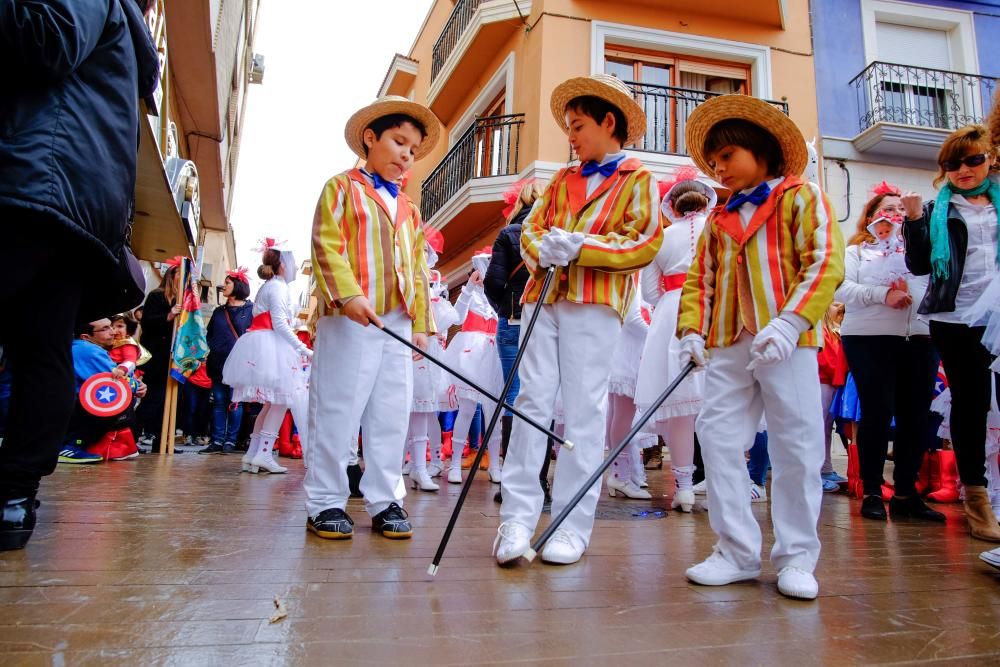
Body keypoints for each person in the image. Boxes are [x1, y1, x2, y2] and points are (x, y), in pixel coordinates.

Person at [0, 0, 160, 550]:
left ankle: (14, 495)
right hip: (75, 202)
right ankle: (13, 501)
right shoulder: (128, 43)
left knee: (41, 350)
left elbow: (50, 39)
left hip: (34, 182)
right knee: (42, 349)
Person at [677, 95, 845, 600]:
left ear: (760, 150)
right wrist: (690, 330)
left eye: (726, 156)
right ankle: (735, 551)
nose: (718, 168)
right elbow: (698, 281)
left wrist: (792, 323)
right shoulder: (717, 218)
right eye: (713, 161)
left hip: (787, 341)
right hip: (729, 342)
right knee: (718, 436)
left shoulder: (802, 196)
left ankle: (796, 557)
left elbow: (826, 261)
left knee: (797, 444)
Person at [493, 73, 663, 566]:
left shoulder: (639, 180)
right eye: (570, 126)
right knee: (531, 403)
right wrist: (540, 247)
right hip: (541, 299)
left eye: (579, 125)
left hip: (596, 303)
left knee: (585, 412)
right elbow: (532, 229)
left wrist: (583, 247)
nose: (571, 135)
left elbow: (643, 242)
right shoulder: (561, 180)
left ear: (609, 122)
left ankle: (570, 524)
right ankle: (518, 520)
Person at [306, 96, 439, 540]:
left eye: (413, 150)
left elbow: (418, 268)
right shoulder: (340, 188)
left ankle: (385, 498)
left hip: (397, 322)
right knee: (339, 406)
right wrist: (348, 296)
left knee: (391, 411)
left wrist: (421, 323)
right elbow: (327, 245)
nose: (406, 154)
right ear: (370, 138)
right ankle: (325, 500)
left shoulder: (410, 209)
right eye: (399, 142)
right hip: (352, 316)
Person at [902, 123, 1000, 542]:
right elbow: (921, 266)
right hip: (956, 319)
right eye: (952, 164)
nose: (964, 169)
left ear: (989, 160)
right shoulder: (937, 209)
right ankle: (976, 499)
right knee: (971, 404)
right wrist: (912, 221)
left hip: (998, 313)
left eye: (973, 160)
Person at [835, 186, 941, 521]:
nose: (896, 214)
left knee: (915, 417)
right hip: (870, 338)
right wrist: (883, 295)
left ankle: (907, 493)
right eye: (889, 208)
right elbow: (840, 287)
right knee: (877, 414)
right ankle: (871, 491)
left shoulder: (920, 247)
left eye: (901, 209)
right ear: (872, 216)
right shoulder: (856, 252)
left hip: (921, 338)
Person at [634, 169, 715, 510]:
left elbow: (650, 292)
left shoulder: (662, 238)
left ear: (674, 206)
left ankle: (683, 487)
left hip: (671, 314)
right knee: (718, 402)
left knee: (680, 407)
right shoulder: (718, 232)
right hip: (712, 309)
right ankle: (718, 481)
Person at [223, 241, 312, 474]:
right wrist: (304, 349)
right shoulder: (278, 288)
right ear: (282, 265)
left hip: (264, 343)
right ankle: (262, 453)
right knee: (280, 400)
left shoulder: (270, 286)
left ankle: (254, 453)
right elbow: (281, 324)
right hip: (272, 343)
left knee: (272, 402)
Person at [485, 180, 543, 457]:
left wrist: (503, 307)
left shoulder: (508, 234)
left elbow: (492, 282)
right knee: (541, 394)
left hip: (511, 318)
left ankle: (511, 470)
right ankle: (537, 475)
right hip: (543, 321)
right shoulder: (550, 233)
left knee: (512, 392)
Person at [443, 251, 505, 485]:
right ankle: (456, 463)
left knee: (494, 414)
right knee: (467, 409)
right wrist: (468, 288)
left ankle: (495, 465)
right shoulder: (470, 294)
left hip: (494, 355)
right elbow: (457, 319)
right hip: (470, 355)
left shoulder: (500, 293)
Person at [405, 228, 458, 491]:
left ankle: (419, 467)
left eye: (426, 251)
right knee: (400, 407)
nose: (424, 255)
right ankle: (395, 466)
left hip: (428, 348)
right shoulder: (408, 279)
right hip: (407, 345)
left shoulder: (432, 284)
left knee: (424, 408)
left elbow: (447, 320)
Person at [65, 318, 147, 462]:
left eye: (111, 327)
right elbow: (116, 381)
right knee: (118, 402)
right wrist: (136, 385)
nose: (113, 332)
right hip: (72, 409)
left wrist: (135, 385)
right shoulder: (87, 349)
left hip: (66, 407)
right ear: (86, 336)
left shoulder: (80, 346)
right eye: (105, 329)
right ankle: (70, 445)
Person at [199, 268, 253, 455]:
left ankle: (230, 441)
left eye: (227, 283)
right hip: (217, 364)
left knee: (234, 402)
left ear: (237, 285)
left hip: (239, 366)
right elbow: (210, 333)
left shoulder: (251, 310)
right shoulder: (218, 312)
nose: (224, 286)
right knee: (219, 402)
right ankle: (217, 440)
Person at [135, 260, 182, 451]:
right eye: (180, 274)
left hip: (172, 359)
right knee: (153, 399)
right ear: (172, 276)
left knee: (168, 402)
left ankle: (161, 441)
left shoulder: (182, 301)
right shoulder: (156, 297)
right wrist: (168, 316)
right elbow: (147, 322)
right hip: (156, 358)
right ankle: (132, 435)